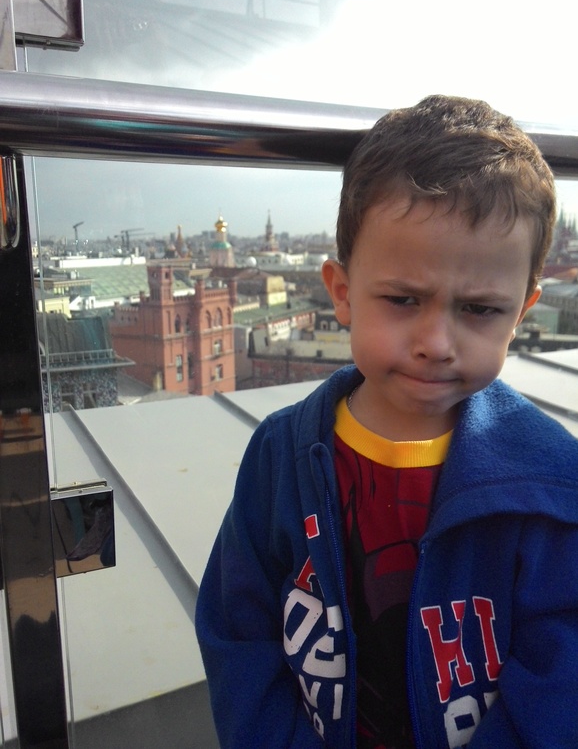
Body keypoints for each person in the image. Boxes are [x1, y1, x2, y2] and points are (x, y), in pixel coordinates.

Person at [195, 95, 578, 748]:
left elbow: (560, 680)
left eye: (480, 310)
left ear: (522, 312)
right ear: (342, 293)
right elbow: (240, 638)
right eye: (403, 300)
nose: (437, 343)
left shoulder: (552, 484)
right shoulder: (279, 457)